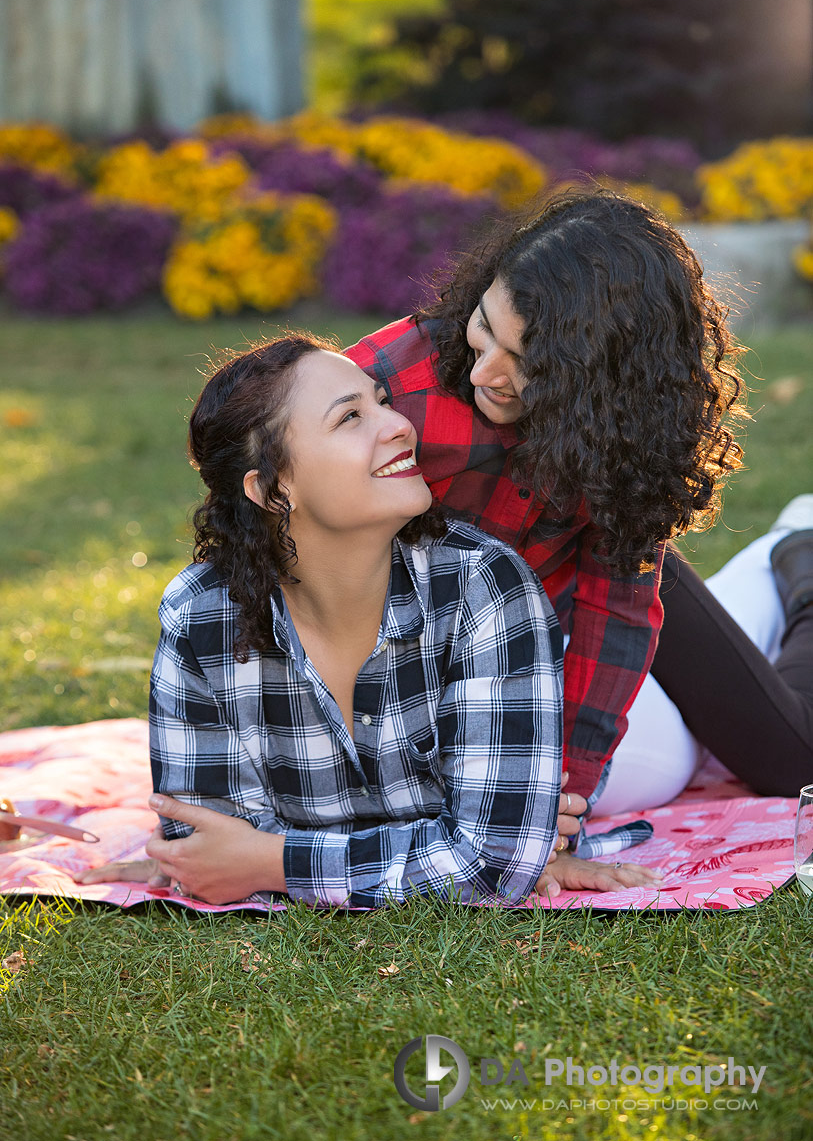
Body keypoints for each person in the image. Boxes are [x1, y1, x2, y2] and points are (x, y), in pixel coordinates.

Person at [76, 334, 662, 906]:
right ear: (273, 490)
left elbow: (495, 861)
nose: (400, 424)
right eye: (349, 418)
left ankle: (759, 571)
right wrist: (447, 840)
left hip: (636, 734)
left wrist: (272, 861)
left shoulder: (484, 584)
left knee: (685, 742)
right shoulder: (202, 616)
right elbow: (204, 853)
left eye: (381, 401)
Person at [346, 188, 813, 813]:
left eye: (526, 362)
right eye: (485, 327)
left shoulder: (623, 437)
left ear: (602, 381)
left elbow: (616, 610)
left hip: (587, 584)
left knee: (791, 763)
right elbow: (256, 470)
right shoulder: (387, 391)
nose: (484, 373)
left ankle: (797, 553)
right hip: (471, 644)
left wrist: (567, 777)